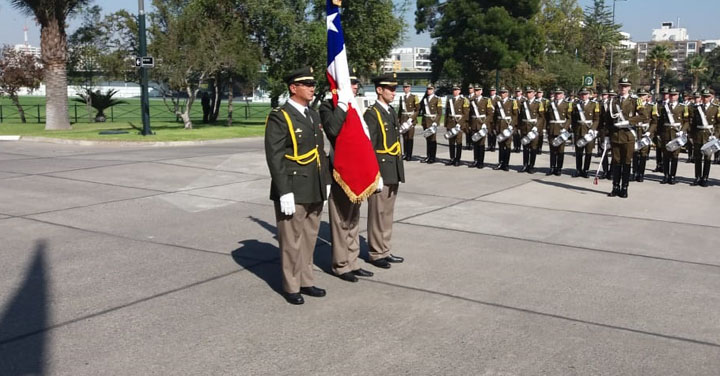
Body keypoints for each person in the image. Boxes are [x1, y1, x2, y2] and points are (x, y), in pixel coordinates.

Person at [264, 67, 329, 305]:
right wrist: (284, 191)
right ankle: (291, 285)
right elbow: (275, 155)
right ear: (293, 88)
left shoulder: (312, 115)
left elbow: (320, 152)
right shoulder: (280, 116)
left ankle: (306, 280)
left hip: (314, 185)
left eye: (313, 84)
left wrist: (327, 181)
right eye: (307, 84)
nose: (312, 87)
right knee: (291, 239)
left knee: (309, 237)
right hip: (293, 186)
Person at [319, 73, 375, 283]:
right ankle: (341, 265)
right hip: (340, 171)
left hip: (357, 171)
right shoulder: (328, 107)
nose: (355, 87)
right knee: (341, 221)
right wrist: (341, 106)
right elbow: (333, 130)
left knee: (353, 221)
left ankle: (353, 262)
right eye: (351, 84)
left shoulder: (356, 108)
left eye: (355, 84)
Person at [364, 73, 405, 269]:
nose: (393, 92)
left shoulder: (389, 111)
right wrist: (374, 174)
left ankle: (384, 249)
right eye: (390, 89)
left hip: (393, 168)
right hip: (380, 169)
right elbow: (369, 146)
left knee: (387, 213)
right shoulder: (372, 113)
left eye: (395, 89)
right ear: (379, 90)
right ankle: (375, 252)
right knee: (378, 213)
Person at [607, 77, 644, 197]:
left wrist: (628, 121)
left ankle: (624, 187)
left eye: (625, 86)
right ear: (618, 87)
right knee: (616, 162)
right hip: (615, 135)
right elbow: (607, 119)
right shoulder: (613, 100)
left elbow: (643, 116)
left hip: (628, 135)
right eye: (621, 86)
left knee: (627, 162)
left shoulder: (635, 100)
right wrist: (606, 135)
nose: (623, 88)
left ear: (629, 87)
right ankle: (615, 186)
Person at [658, 87, 690, 185]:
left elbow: (687, 121)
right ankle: (666, 175)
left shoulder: (683, 107)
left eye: (674, 95)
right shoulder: (664, 107)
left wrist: (682, 130)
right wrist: (659, 134)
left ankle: (673, 176)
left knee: (675, 155)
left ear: (678, 96)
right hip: (666, 133)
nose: (672, 97)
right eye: (671, 95)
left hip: (676, 134)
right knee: (666, 155)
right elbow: (660, 122)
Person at [689, 88, 719, 187]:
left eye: (707, 97)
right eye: (704, 96)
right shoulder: (696, 108)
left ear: (711, 97)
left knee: (707, 158)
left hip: (709, 136)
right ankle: (697, 177)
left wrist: (716, 135)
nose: (705, 98)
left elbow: (718, 124)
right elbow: (693, 123)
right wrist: (692, 136)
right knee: (697, 157)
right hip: (698, 134)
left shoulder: (716, 108)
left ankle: (705, 178)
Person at [571, 87, 600, 178]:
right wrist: (574, 130)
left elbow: (596, 119)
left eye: (586, 94)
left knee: (588, 152)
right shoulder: (575, 104)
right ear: (579, 95)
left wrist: (593, 129)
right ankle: (578, 170)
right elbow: (573, 119)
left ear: (589, 95)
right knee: (579, 152)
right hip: (579, 131)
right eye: (582, 94)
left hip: (589, 131)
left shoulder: (594, 104)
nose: (584, 96)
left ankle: (586, 170)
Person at [518, 86, 544, 173]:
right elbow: (520, 117)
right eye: (527, 93)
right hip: (524, 127)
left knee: (533, 147)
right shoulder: (523, 103)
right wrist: (519, 128)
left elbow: (541, 117)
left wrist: (537, 127)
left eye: (530, 92)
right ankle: (525, 165)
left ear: (534, 93)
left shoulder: (538, 103)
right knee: (525, 147)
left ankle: (531, 166)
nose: (528, 94)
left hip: (533, 128)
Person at [546, 87, 571, 176]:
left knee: (560, 150)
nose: (558, 95)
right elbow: (547, 118)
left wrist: (565, 128)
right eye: (556, 94)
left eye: (559, 94)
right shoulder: (550, 104)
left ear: (563, 95)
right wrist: (547, 128)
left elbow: (569, 118)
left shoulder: (567, 105)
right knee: (552, 150)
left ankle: (559, 168)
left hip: (561, 130)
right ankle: (552, 167)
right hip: (552, 129)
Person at [633, 88, 657, 182]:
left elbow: (654, 122)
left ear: (647, 96)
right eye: (640, 95)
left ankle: (641, 174)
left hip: (645, 131)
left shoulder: (651, 106)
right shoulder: (633, 105)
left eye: (643, 95)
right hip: (635, 130)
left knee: (643, 153)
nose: (642, 97)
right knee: (634, 152)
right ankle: (634, 172)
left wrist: (649, 132)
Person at [444, 83, 470, 166]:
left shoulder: (464, 100)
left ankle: (457, 159)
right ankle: (452, 158)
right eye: (453, 90)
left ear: (459, 91)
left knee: (458, 142)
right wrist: (446, 124)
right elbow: (447, 114)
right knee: (451, 142)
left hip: (459, 124)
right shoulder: (450, 100)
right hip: (451, 123)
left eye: (456, 90)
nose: (454, 92)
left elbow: (466, 114)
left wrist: (460, 123)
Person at [468, 84, 493, 168]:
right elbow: (469, 113)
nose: (477, 92)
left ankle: (481, 162)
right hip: (474, 124)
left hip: (482, 124)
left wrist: (485, 124)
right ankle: (475, 160)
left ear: (481, 91)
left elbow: (490, 114)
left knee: (481, 144)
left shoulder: (486, 100)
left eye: (478, 90)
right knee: (475, 143)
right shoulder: (472, 100)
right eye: (475, 90)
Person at [419, 83, 442, 164]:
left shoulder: (437, 99)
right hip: (425, 121)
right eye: (428, 89)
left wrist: (436, 122)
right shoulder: (425, 99)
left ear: (433, 90)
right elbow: (420, 108)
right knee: (428, 139)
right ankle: (428, 156)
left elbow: (439, 113)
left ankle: (433, 157)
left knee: (433, 140)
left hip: (432, 122)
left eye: (430, 89)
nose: (429, 90)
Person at [399, 82, 420, 161]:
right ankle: (405, 153)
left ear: (410, 88)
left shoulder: (414, 97)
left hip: (410, 120)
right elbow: (400, 110)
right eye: (404, 87)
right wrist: (399, 120)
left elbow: (417, 110)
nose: (406, 89)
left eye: (407, 87)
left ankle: (409, 155)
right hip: (403, 119)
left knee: (410, 137)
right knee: (404, 138)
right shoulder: (402, 97)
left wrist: (412, 118)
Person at [464, 84, 477, 150]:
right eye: (469, 89)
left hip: (472, 116)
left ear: (474, 89)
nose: (470, 90)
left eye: (471, 88)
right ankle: (467, 143)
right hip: (467, 116)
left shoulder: (475, 97)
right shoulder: (466, 97)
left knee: (472, 130)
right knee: (467, 130)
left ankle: (472, 144)